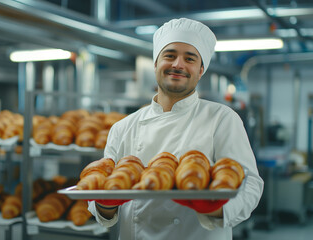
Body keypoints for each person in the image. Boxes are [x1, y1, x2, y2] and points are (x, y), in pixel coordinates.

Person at [88, 18, 264, 240]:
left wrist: (213, 207)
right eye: (169, 56)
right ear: (155, 63)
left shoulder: (222, 119)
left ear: (201, 70)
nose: (178, 65)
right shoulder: (123, 127)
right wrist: (105, 203)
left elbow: (251, 186)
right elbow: (103, 211)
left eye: (189, 58)